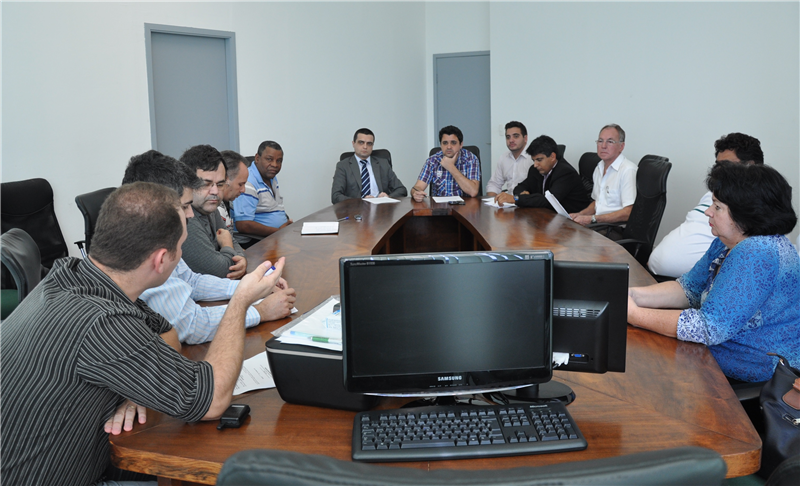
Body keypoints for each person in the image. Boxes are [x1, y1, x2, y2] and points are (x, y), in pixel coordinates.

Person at [0, 181, 285, 486]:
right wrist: (240, 302)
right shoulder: (104, 323)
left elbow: (168, 334)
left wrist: (133, 386)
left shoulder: (74, 274)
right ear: (162, 261)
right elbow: (212, 401)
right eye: (181, 248)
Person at [627, 162, 799, 383]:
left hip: (759, 371)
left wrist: (634, 314)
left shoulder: (759, 252)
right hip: (721, 354)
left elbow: (708, 328)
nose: (708, 212)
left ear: (746, 214)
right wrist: (634, 296)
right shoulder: (729, 241)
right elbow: (688, 288)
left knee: (642, 369)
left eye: (717, 207)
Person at [122, 150, 296, 344]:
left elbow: (192, 281)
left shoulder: (155, 238)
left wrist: (253, 287)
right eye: (184, 206)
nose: (190, 215)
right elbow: (191, 325)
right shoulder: (147, 253)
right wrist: (260, 311)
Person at [648, 133, 764, 278]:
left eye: (726, 166)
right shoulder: (713, 194)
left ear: (751, 166)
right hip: (669, 280)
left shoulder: (758, 208)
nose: (718, 172)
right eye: (717, 165)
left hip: (696, 286)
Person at [180, 144, 247, 279]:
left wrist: (241, 258)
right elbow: (220, 271)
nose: (215, 191)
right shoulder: (185, 216)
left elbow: (233, 240)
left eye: (220, 184)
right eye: (206, 184)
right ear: (187, 183)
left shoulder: (208, 206)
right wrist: (228, 246)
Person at [495, 135, 591, 213]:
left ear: (552, 156)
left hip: (574, 222)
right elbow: (520, 187)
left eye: (539, 160)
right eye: (533, 160)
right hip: (548, 216)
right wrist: (522, 194)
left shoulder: (565, 173)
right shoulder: (535, 170)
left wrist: (517, 199)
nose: (535, 165)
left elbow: (549, 201)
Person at [569, 124, 637, 232]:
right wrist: (579, 215)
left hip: (614, 229)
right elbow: (597, 202)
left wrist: (593, 219)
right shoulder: (599, 167)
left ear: (621, 146)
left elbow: (629, 212)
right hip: (598, 225)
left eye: (610, 142)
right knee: (564, 229)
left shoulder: (628, 170)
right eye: (600, 141)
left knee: (572, 240)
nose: (603, 146)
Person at [232, 141, 292, 241]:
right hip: (258, 241)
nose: (275, 165)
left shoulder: (270, 176)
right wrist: (279, 231)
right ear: (257, 158)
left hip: (277, 236)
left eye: (279, 161)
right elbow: (243, 224)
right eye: (269, 159)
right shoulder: (248, 182)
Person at [331, 128, 407, 204]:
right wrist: (361, 201)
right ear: (353, 144)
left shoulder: (383, 163)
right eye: (361, 142)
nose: (365, 147)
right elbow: (336, 196)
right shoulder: (343, 166)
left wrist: (388, 197)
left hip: (381, 210)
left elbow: (401, 190)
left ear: (372, 145)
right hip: (356, 210)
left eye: (369, 143)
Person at [410, 125, 480, 201]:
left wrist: (451, 167)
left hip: (465, 208)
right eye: (445, 143)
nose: (449, 147)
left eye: (453, 143)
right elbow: (417, 187)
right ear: (441, 145)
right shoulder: (433, 160)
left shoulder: (471, 159)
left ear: (461, 144)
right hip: (439, 209)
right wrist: (416, 193)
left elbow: (473, 192)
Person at [486, 121, 533, 198]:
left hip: (527, 203)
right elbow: (494, 184)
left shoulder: (533, 158)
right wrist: (492, 201)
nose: (511, 140)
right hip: (508, 204)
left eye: (516, 136)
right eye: (508, 137)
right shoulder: (504, 157)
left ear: (525, 138)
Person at [218, 149, 250, 234]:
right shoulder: (216, 209)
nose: (243, 190)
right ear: (225, 179)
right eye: (240, 184)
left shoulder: (227, 202)